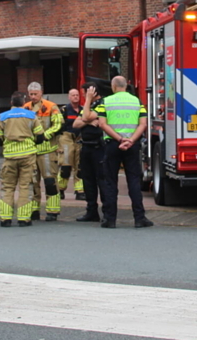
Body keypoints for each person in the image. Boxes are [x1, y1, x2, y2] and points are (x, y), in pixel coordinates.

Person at [96, 76, 153, 229]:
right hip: (132, 145)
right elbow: (143, 124)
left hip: (113, 145)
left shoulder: (106, 101)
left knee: (110, 182)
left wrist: (119, 139)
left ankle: (109, 219)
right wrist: (131, 140)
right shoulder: (136, 101)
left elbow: (102, 123)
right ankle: (140, 218)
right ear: (126, 86)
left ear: (113, 86)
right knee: (133, 181)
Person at [0, 92, 45, 227]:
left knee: (7, 187)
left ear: (11, 103)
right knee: (25, 187)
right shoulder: (31, 116)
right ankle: (24, 218)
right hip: (27, 156)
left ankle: (5, 218)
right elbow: (40, 136)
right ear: (23, 103)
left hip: (10, 157)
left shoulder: (3, 117)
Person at [23, 82, 63, 221]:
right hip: (32, 150)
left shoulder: (51, 106)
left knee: (50, 181)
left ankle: (53, 211)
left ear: (41, 92)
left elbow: (58, 124)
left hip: (47, 150)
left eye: (35, 94)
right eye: (31, 94)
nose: (33, 96)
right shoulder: (26, 108)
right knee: (33, 182)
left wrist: (45, 135)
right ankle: (34, 210)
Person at [72, 83, 105, 222]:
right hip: (86, 147)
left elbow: (84, 117)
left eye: (85, 93)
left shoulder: (102, 103)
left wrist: (86, 118)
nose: (83, 96)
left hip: (99, 147)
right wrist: (89, 121)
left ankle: (107, 212)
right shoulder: (88, 105)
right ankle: (91, 211)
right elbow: (76, 124)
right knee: (88, 181)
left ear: (92, 92)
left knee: (102, 181)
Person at [57, 88, 84, 201]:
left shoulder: (83, 110)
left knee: (80, 167)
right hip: (66, 138)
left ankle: (80, 191)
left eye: (77, 95)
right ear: (69, 97)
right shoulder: (64, 110)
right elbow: (58, 127)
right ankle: (60, 189)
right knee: (66, 165)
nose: (75, 97)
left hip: (79, 139)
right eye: (73, 95)